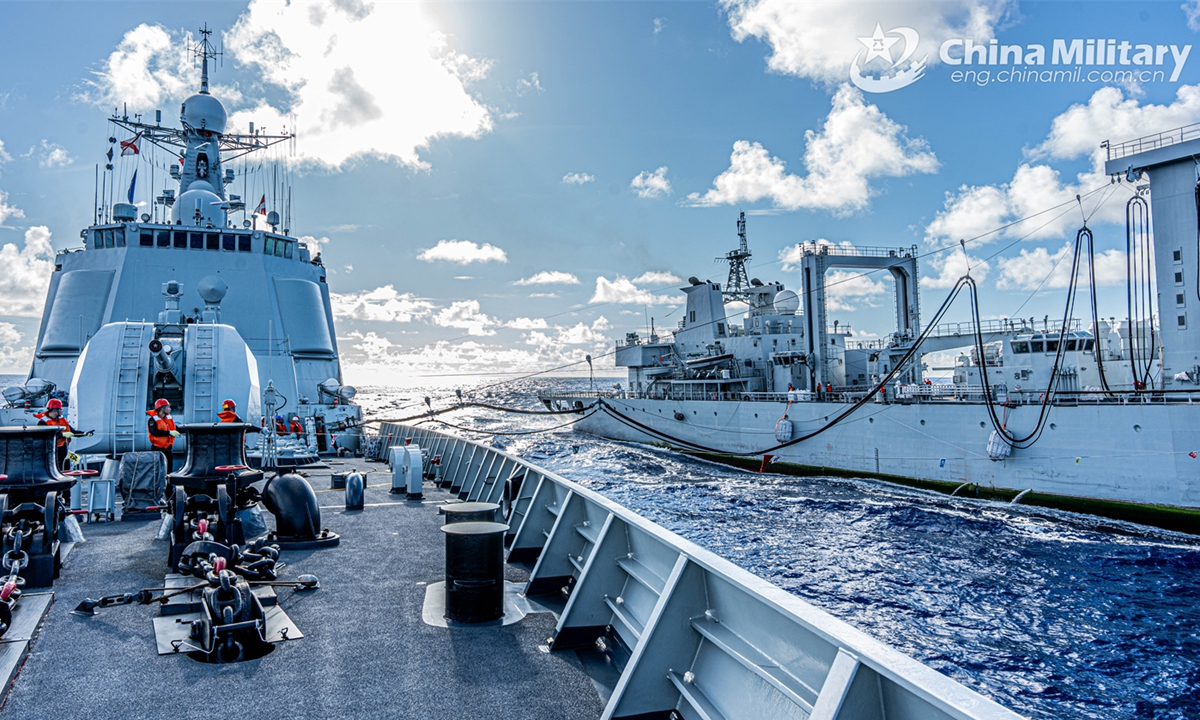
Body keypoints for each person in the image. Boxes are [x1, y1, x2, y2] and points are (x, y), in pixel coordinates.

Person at [36, 398, 76, 471]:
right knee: (54, 469)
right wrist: (63, 435)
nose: (62, 411)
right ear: (55, 410)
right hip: (51, 451)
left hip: (63, 449)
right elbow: (44, 437)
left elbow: (72, 431)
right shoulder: (43, 423)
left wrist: (85, 433)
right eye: (60, 409)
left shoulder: (61, 420)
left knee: (66, 467)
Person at [147, 398, 180, 474]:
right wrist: (169, 433)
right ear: (162, 408)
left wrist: (186, 430)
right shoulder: (152, 420)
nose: (170, 409)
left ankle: (168, 485)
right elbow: (154, 432)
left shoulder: (169, 418)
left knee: (168, 469)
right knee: (157, 470)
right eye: (168, 407)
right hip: (157, 449)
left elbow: (175, 428)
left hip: (168, 449)